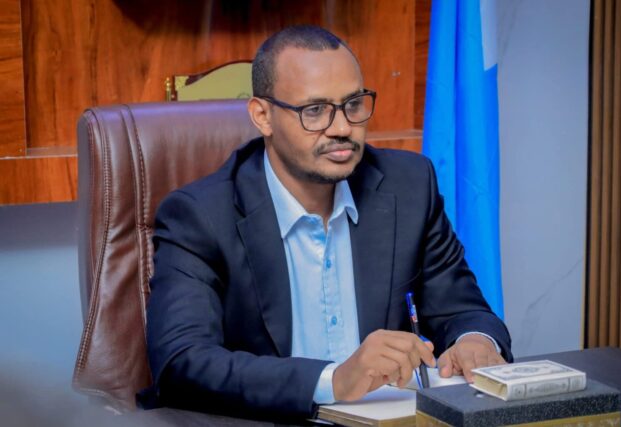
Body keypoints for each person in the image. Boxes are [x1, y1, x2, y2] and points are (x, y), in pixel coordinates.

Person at [144, 25, 512, 419]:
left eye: (353, 104)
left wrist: (476, 341)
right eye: (315, 110)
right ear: (263, 116)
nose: (341, 128)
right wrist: (333, 380)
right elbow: (182, 362)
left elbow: (463, 310)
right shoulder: (201, 215)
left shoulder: (409, 187)